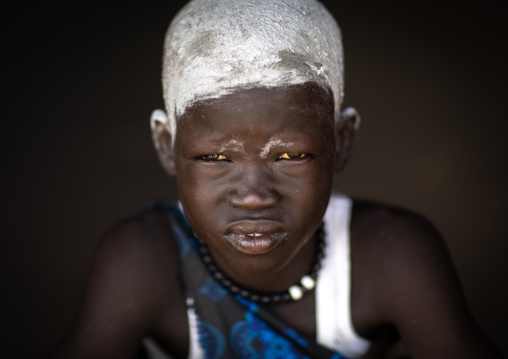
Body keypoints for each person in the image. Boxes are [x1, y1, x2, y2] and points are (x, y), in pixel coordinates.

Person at [48, 0, 503, 358]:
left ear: (341, 141)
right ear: (167, 146)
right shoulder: (143, 262)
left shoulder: (391, 255)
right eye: (214, 157)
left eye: (291, 155)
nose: (252, 196)